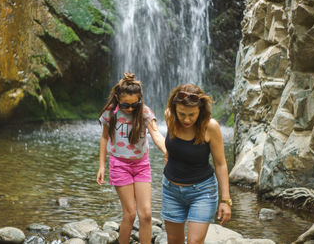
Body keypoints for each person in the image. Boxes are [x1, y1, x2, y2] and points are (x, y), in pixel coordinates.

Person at [96, 73, 167, 244]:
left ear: (140, 100)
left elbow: (156, 133)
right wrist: (102, 166)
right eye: (125, 105)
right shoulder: (110, 113)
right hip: (119, 165)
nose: (129, 109)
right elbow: (105, 138)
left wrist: (167, 150)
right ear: (117, 99)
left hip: (141, 165)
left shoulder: (144, 112)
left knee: (147, 215)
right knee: (130, 214)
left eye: (134, 104)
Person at [161, 83, 232, 244]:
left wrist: (225, 200)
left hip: (202, 192)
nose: (186, 119)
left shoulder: (210, 127)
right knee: (173, 241)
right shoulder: (169, 117)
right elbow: (172, 148)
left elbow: (220, 164)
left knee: (194, 242)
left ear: (200, 110)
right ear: (174, 109)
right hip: (171, 191)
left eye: (192, 114)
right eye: (182, 114)